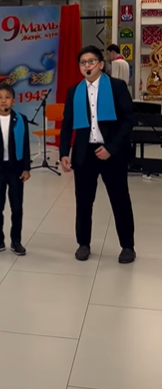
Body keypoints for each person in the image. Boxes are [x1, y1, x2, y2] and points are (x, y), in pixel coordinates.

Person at [60, 45, 135, 263]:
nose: (87, 66)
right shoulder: (74, 91)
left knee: (120, 200)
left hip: (112, 152)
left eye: (91, 61)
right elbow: (67, 124)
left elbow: (129, 120)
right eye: (83, 62)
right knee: (83, 202)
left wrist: (111, 147)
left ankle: (127, 246)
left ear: (101, 64)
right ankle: (83, 244)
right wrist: (64, 152)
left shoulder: (117, 87)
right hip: (85, 154)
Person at [0, 83, 31, 256]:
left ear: (13, 101)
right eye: (0, 98)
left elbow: (25, 144)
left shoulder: (21, 119)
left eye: (7, 97)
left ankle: (16, 240)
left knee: (17, 207)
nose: (3, 101)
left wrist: (26, 168)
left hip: (15, 168)